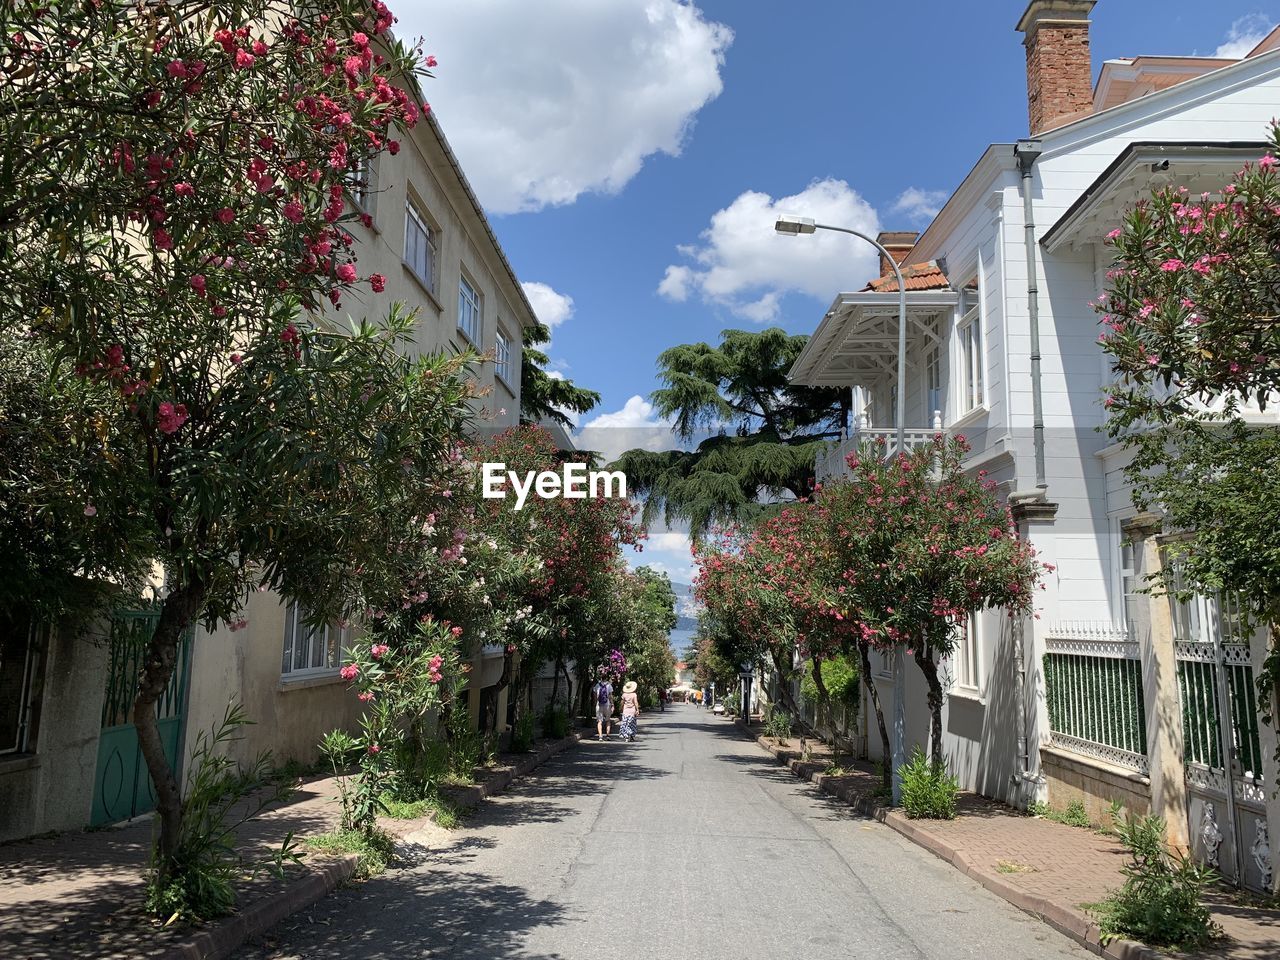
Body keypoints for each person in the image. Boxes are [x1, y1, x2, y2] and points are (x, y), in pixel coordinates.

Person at [594, 675, 614, 740]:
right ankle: (607, 735)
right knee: (608, 720)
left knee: (599, 721)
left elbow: (595, 696)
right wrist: (612, 704)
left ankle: (600, 736)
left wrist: (595, 703)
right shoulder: (609, 685)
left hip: (599, 704)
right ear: (606, 678)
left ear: (601, 678)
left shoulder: (597, 685)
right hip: (607, 704)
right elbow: (610, 696)